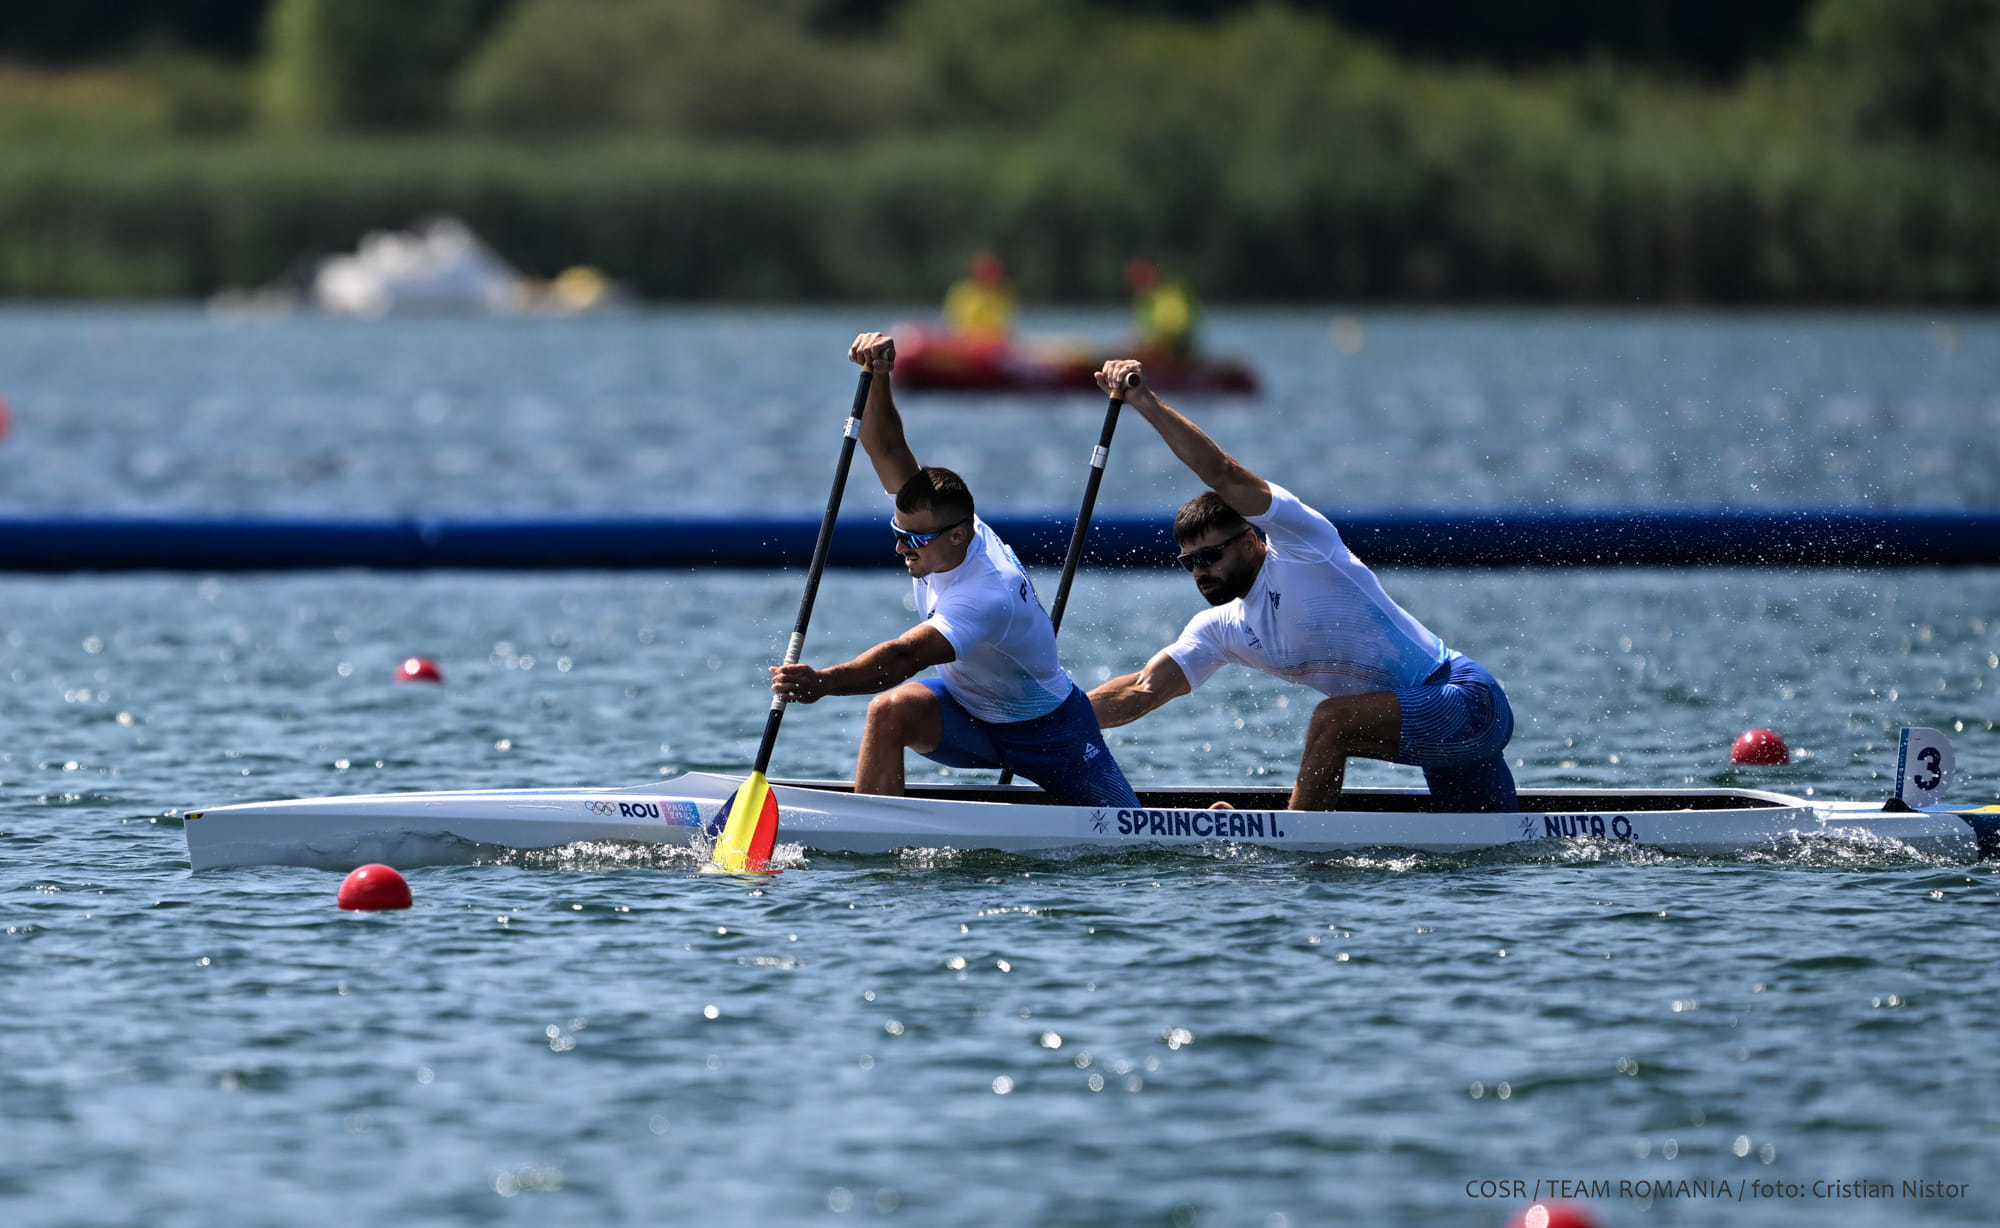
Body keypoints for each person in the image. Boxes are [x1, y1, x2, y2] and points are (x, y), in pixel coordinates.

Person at [1086, 359, 1520, 813]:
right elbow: (1141, 689)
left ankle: (1292, 851)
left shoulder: (1303, 545)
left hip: (1465, 700)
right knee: (1491, 848)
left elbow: (1223, 473)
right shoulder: (1220, 628)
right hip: (1427, 731)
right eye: (1189, 562)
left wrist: (1143, 401)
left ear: (1253, 539)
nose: (1200, 572)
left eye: (1212, 556)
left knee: (1331, 722)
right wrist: (1043, 719)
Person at [768, 333, 1140, 808]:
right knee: (889, 712)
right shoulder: (938, 517)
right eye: (897, 532)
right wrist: (880, 375)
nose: (902, 546)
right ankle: (875, 838)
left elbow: (905, 657)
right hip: (968, 709)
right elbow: (885, 445)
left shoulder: (986, 592)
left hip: (1050, 729)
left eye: (915, 540)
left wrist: (823, 683)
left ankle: (1212, 818)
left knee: (1132, 831)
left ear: (959, 536)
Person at [1126, 259, 1199, 359]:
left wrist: (1156, 341)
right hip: (1157, 346)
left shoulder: (1171, 292)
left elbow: (1179, 328)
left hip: (1179, 346)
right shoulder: (1142, 299)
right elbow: (1144, 328)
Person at [942, 251, 1015, 343]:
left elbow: (1005, 326)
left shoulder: (1004, 293)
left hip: (991, 344)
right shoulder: (962, 291)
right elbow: (951, 322)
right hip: (964, 341)